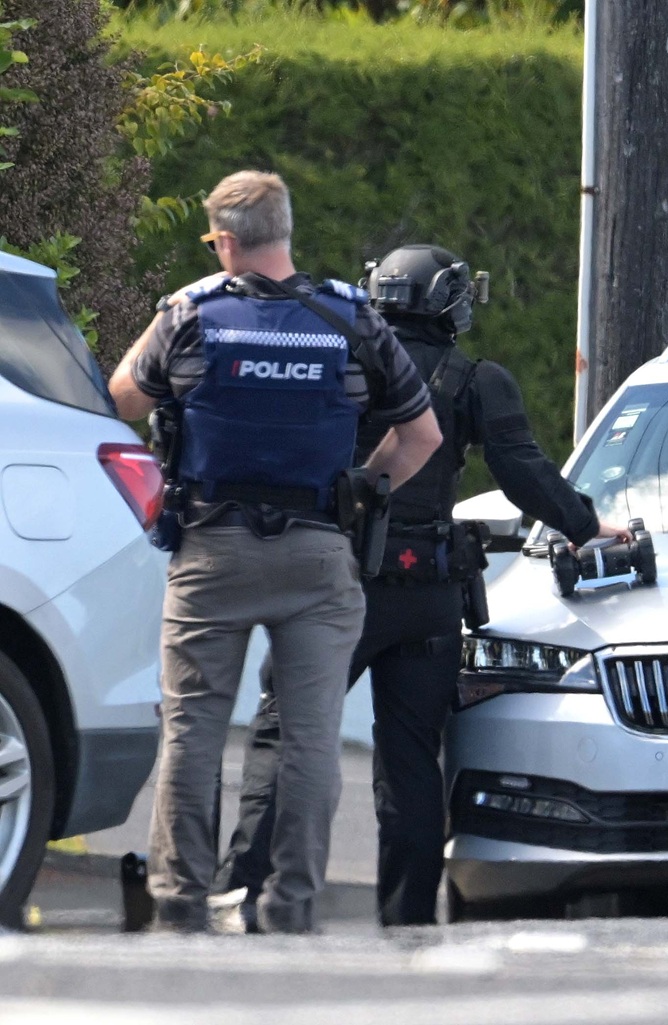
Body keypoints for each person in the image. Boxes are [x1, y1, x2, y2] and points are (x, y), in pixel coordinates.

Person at [210, 243, 626, 928]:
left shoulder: (336, 361)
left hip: (338, 585)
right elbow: (524, 472)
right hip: (429, 591)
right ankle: (406, 919)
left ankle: (240, 887)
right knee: (410, 759)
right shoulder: (476, 379)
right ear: (448, 303)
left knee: (284, 734)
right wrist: (586, 525)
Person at [109, 171, 442, 933]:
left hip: (210, 550)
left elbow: (119, 398)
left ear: (225, 240)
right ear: (284, 231)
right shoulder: (351, 320)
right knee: (311, 735)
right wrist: (365, 487)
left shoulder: (190, 314)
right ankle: (290, 905)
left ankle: (180, 902)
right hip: (320, 554)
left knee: (193, 730)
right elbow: (422, 434)